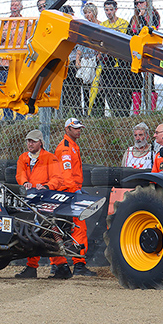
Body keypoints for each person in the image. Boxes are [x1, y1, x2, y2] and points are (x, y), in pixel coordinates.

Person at [14, 129, 70, 279]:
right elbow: (20, 175)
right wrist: (25, 183)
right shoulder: (23, 158)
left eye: (33, 141)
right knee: (34, 232)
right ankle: (53, 266)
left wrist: (45, 187)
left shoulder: (50, 158)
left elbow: (57, 179)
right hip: (29, 200)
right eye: (28, 141)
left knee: (44, 231)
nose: (30, 144)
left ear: (40, 142)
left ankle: (60, 265)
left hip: (45, 200)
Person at [55, 118, 96, 277]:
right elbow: (66, 175)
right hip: (68, 192)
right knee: (78, 227)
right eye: (75, 128)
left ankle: (60, 266)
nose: (78, 130)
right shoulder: (65, 149)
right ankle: (77, 264)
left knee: (58, 228)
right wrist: (75, 191)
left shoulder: (72, 146)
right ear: (67, 129)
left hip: (68, 191)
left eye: (79, 128)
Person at [94, 0, 132, 117]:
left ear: (116, 10)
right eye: (106, 10)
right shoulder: (103, 25)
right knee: (109, 89)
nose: (108, 12)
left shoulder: (124, 23)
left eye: (110, 9)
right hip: (108, 62)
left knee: (125, 89)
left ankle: (124, 113)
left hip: (122, 61)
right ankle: (116, 112)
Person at [0, 0, 31, 120]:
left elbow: (31, 40)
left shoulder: (27, 23)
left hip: (20, 62)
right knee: (5, 89)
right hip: (5, 61)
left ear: (21, 7)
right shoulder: (5, 23)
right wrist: (2, 37)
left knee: (21, 89)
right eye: (12, 5)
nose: (14, 7)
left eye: (17, 5)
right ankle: (7, 117)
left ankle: (21, 117)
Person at [128, 0, 160, 114]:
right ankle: (137, 111)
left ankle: (151, 110)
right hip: (137, 52)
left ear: (147, 2)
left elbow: (150, 30)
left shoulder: (154, 15)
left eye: (141, 2)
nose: (139, 5)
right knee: (136, 80)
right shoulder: (134, 18)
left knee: (149, 80)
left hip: (149, 50)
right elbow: (131, 34)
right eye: (136, 3)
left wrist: (142, 16)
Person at [77, 3, 102, 116]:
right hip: (85, 57)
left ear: (94, 12)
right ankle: (87, 111)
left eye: (89, 12)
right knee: (85, 85)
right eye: (86, 13)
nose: (88, 15)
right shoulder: (85, 26)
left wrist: (99, 54)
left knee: (97, 85)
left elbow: (103, 41)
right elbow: (81, 42)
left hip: (96, 58)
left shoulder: (100, 25)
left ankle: (98, 111)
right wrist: (78, 58)